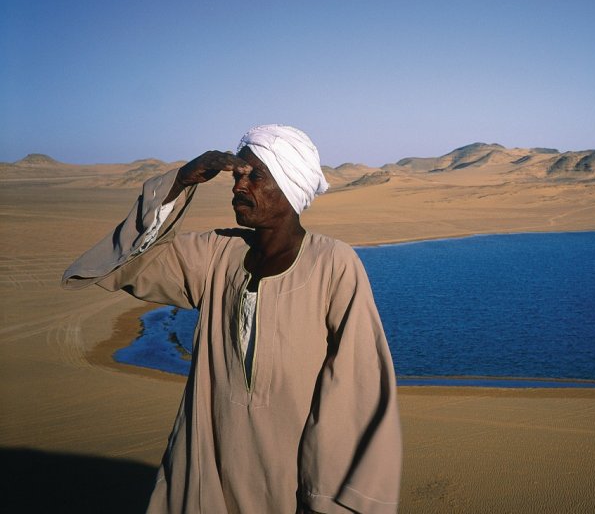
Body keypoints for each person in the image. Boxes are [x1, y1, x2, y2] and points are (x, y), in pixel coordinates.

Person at [62, 124, 402, 514]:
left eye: (255, 176)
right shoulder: (216, 254)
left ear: (290, 186)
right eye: (238, 176)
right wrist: (179, 183)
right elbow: (135, 262)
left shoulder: (333, 264)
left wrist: (324, 495)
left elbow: (356, 386)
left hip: (292, 480)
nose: (239, 186)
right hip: (209, 469)